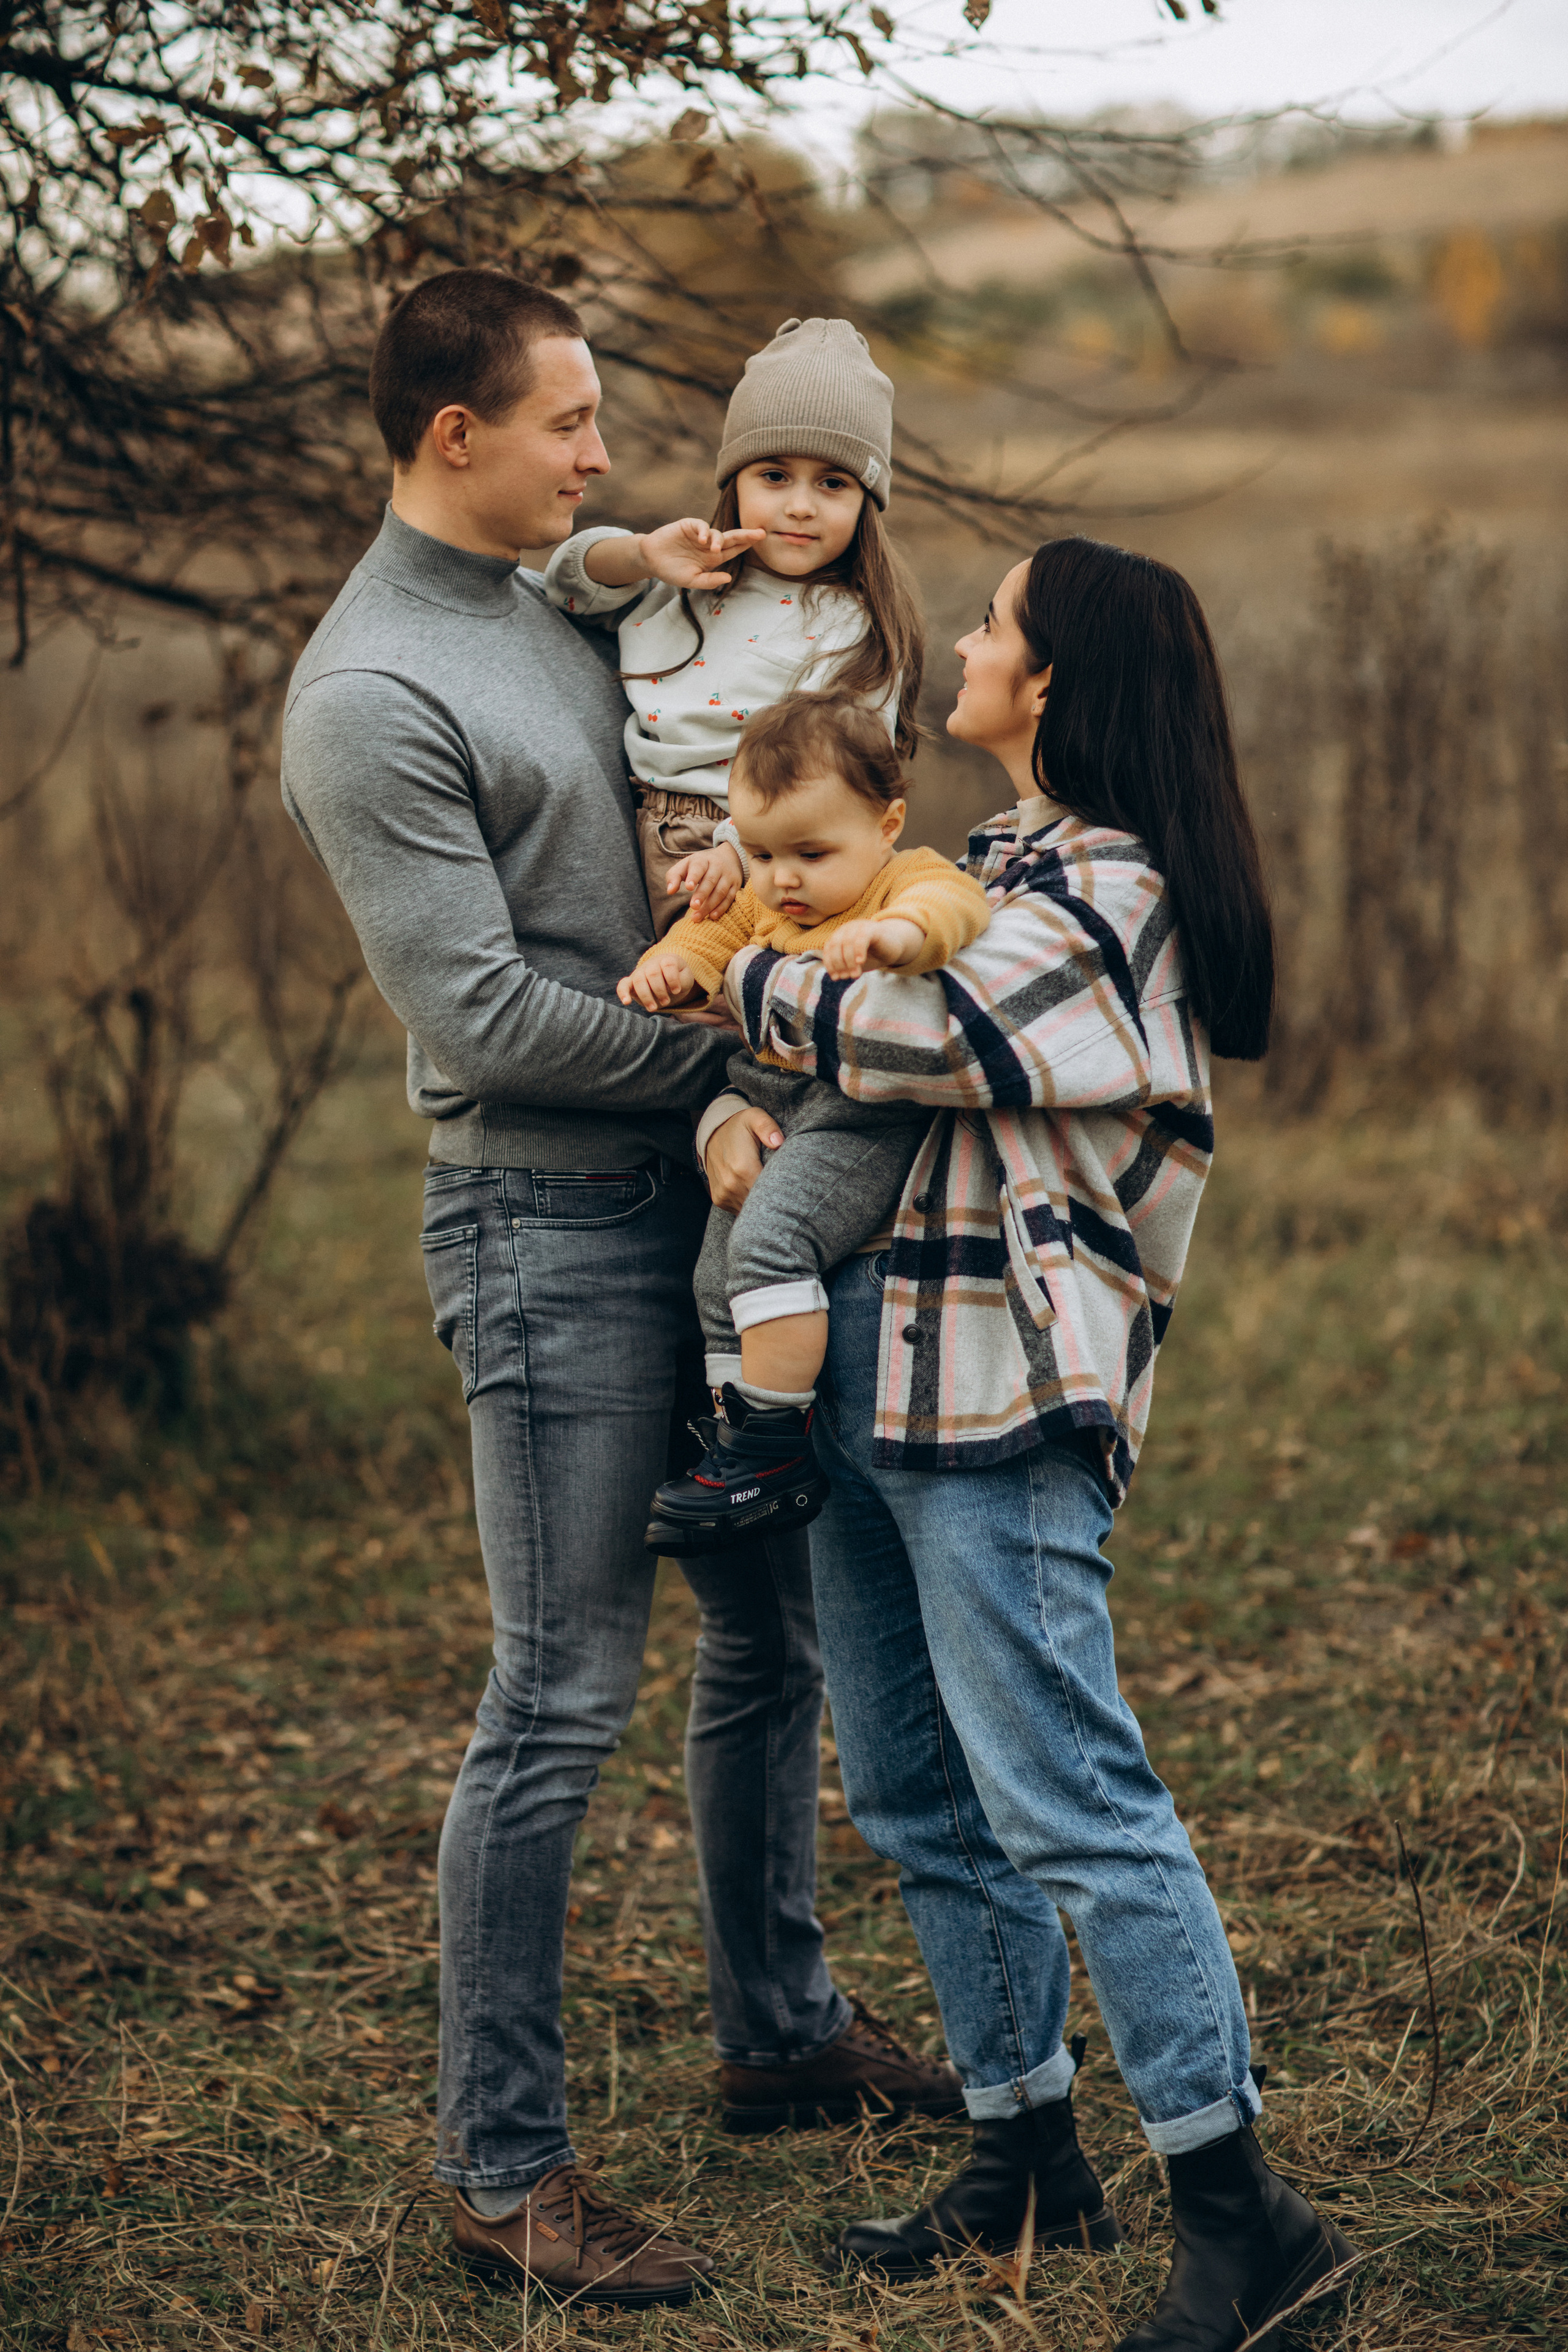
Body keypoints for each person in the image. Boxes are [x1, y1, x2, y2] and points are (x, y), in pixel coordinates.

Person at [278, 268, 960, 2312]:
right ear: (452, 436)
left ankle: (776, 2025)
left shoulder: (577, 600)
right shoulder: (370, 690)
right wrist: (765, 1053)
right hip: (553, 1219)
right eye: (570, 420)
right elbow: (479, 1014)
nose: (607, 451)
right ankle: (504, 2167)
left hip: (707, 1197)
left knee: (773, 1640)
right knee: (560, 1696)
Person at [703, 537, 1359, 2352]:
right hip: (870, 1388)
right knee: (914, 1789)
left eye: (992, 624)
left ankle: (1244, 2214)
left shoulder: (1109, 890)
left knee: (1071, 1794)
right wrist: (733, 1116)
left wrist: (738, 967)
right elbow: (836, 1050)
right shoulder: (977, 863)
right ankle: (1022, 2142)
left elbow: (912, 1032)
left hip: (1002, 1407)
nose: (966, 645)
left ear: (1053, 678)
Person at [617, 691, 989, 1553]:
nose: (783, 878)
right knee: (716, 1279)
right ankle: (734, 1440)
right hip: (773, 1106)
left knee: (768, 1247)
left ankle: (775, 1449)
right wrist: (668, 971)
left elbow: (957, 908)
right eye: (762, 852)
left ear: (887, 822)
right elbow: (707, 940)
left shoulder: (906, 879)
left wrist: (895, 937)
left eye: (812, 853)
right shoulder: (766, 898)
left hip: (857, 1120)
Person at [540, 313, 922, 938]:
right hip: (624, 822)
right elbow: (566, 583)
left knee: (721, 1008)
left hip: (760, 850)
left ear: (866, 504)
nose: (800, 505)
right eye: (773, 477)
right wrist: (642, 555)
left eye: (832, 484)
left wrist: (744, 852)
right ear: (736, 480)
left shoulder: (856, 631)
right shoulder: (690, 573)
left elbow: (849, 788)